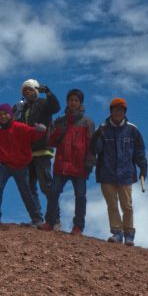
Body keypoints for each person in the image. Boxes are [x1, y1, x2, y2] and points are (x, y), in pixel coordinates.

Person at [92, 97, 147, 245]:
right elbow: (96, 150)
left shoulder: (132, 130)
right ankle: (117, 232)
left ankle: (129, 233)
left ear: (124, 112)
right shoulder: (102, 129)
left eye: (121, 110)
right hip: (106, 173)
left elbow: (139, 152)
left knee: (127, 206)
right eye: (116, 109)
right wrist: (96, 137)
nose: (118, 112)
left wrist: (143, 167)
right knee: (112, 205)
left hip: (126, 173)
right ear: (111, 111)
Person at [39, 89, 94, 235]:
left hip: (79, 165)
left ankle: (78, 227)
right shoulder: (60, 121)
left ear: (80, 103)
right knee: (53, 193)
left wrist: (90, 162)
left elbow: (92, 145)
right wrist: (57, 131)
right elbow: (51, 142)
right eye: (71, 100)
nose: (73, 103)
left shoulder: (88, 122)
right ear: (67, 102)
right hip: (62, 164)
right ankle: (50, 222)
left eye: (76, 100)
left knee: (80, 196)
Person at [0, 104, 46, 226]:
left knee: (26, 191)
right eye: (0, 114)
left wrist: (40, 130)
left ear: (11, 114)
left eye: (5, 113)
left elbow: (34, 134)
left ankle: (37, 219)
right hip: (4, 166)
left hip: (21, 165)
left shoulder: (21, 128)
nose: (2, 116)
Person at [13, 78, 60, 209]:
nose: (27, 92)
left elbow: (55, 107)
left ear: (36, 91)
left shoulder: (43, 103)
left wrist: (49, 93)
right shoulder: (21, 109)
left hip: (42, 149)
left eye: (30, 89)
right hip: (27, 152)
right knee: (29, 186)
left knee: (46, 185)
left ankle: (54, 218)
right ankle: (37, 217)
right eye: (24, 90)